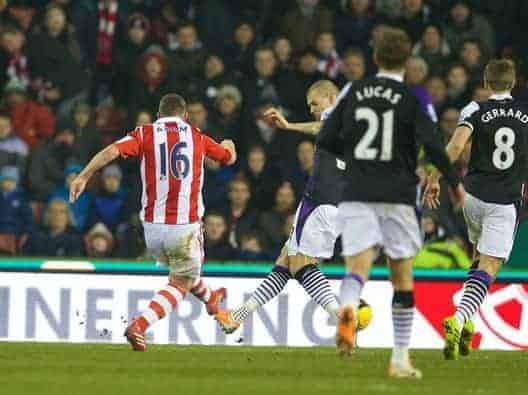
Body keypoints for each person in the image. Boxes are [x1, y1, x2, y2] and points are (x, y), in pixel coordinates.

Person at [316, 28, 463, 378]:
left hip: (357, 191)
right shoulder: (411, 98)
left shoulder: (354, 90)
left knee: (358, 267)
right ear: (408, 60)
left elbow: (326, 137)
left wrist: (353, 155)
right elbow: (435, 146)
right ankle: (399, 359)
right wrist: (455, 184)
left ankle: (349, 306)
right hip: (398, 193)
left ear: (376, 57)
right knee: (402, 276)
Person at [69, 93, 237, 351]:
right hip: (185, 226)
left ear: (159, 116)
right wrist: (229, 144)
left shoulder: (144, 133)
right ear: (185, 116)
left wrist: (83, 176)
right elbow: (227, 158)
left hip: (152, 228)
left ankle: (213, 303)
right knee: (181, 281)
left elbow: (111, 151)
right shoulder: (196, 136)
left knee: (185, 272)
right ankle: (139, 325)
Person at [423, 59, 528, 360]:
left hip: (473, 197)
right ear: (514, 81)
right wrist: (522, 162)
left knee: (479, 258)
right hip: (504, 201)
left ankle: (468, 325)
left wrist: (433, 178)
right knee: (490, 267)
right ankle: (458, 318)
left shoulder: (473, 109)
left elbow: (454, 149)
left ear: (486, 81)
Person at [215, 80, 345, 334]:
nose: (312, 109)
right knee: (285, 263)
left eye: (315, 103)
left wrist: (289, 126)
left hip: (320, 200)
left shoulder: (336, 114)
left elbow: (324, 126)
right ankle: (237, 317)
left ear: (331, 97)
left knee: (302, 265)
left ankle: (341, 317)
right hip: (330, 201)